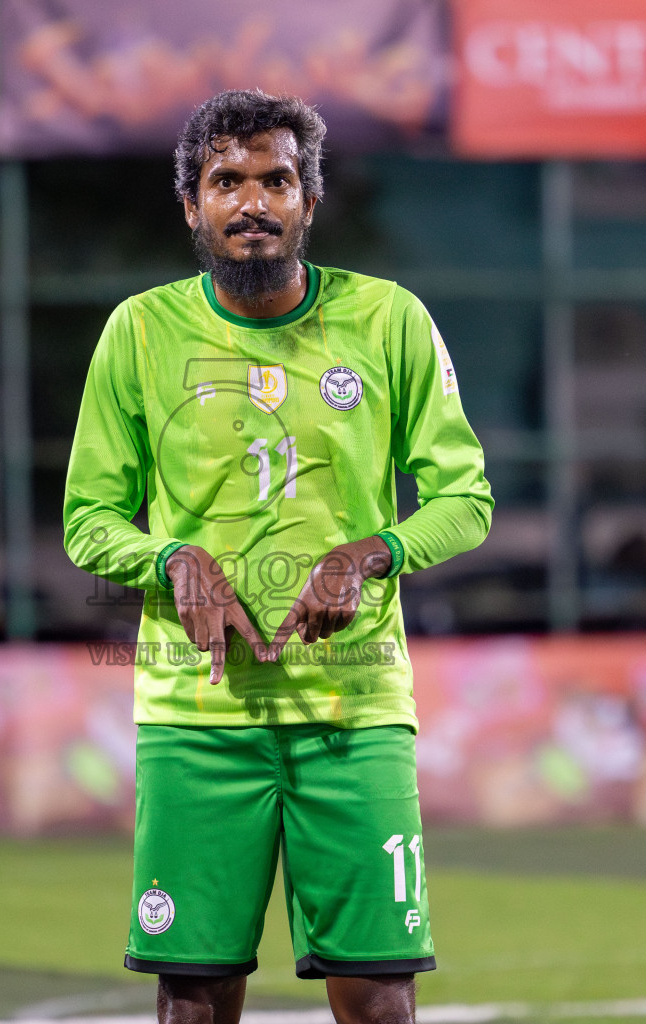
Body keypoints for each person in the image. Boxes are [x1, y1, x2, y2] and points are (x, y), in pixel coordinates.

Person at [63, 90, 492, 1024]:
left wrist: (373, 552)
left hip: (357, 708)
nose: (252, 201)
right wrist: (172, 559)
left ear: (309, 199)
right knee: (195, 999)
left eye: (276, 180)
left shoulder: (389, 321)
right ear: (192, 206)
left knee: (378, 999)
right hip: (196, 716)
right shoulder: (138, 333)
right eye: (227, 181)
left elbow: (466, 499)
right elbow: (89, 520)